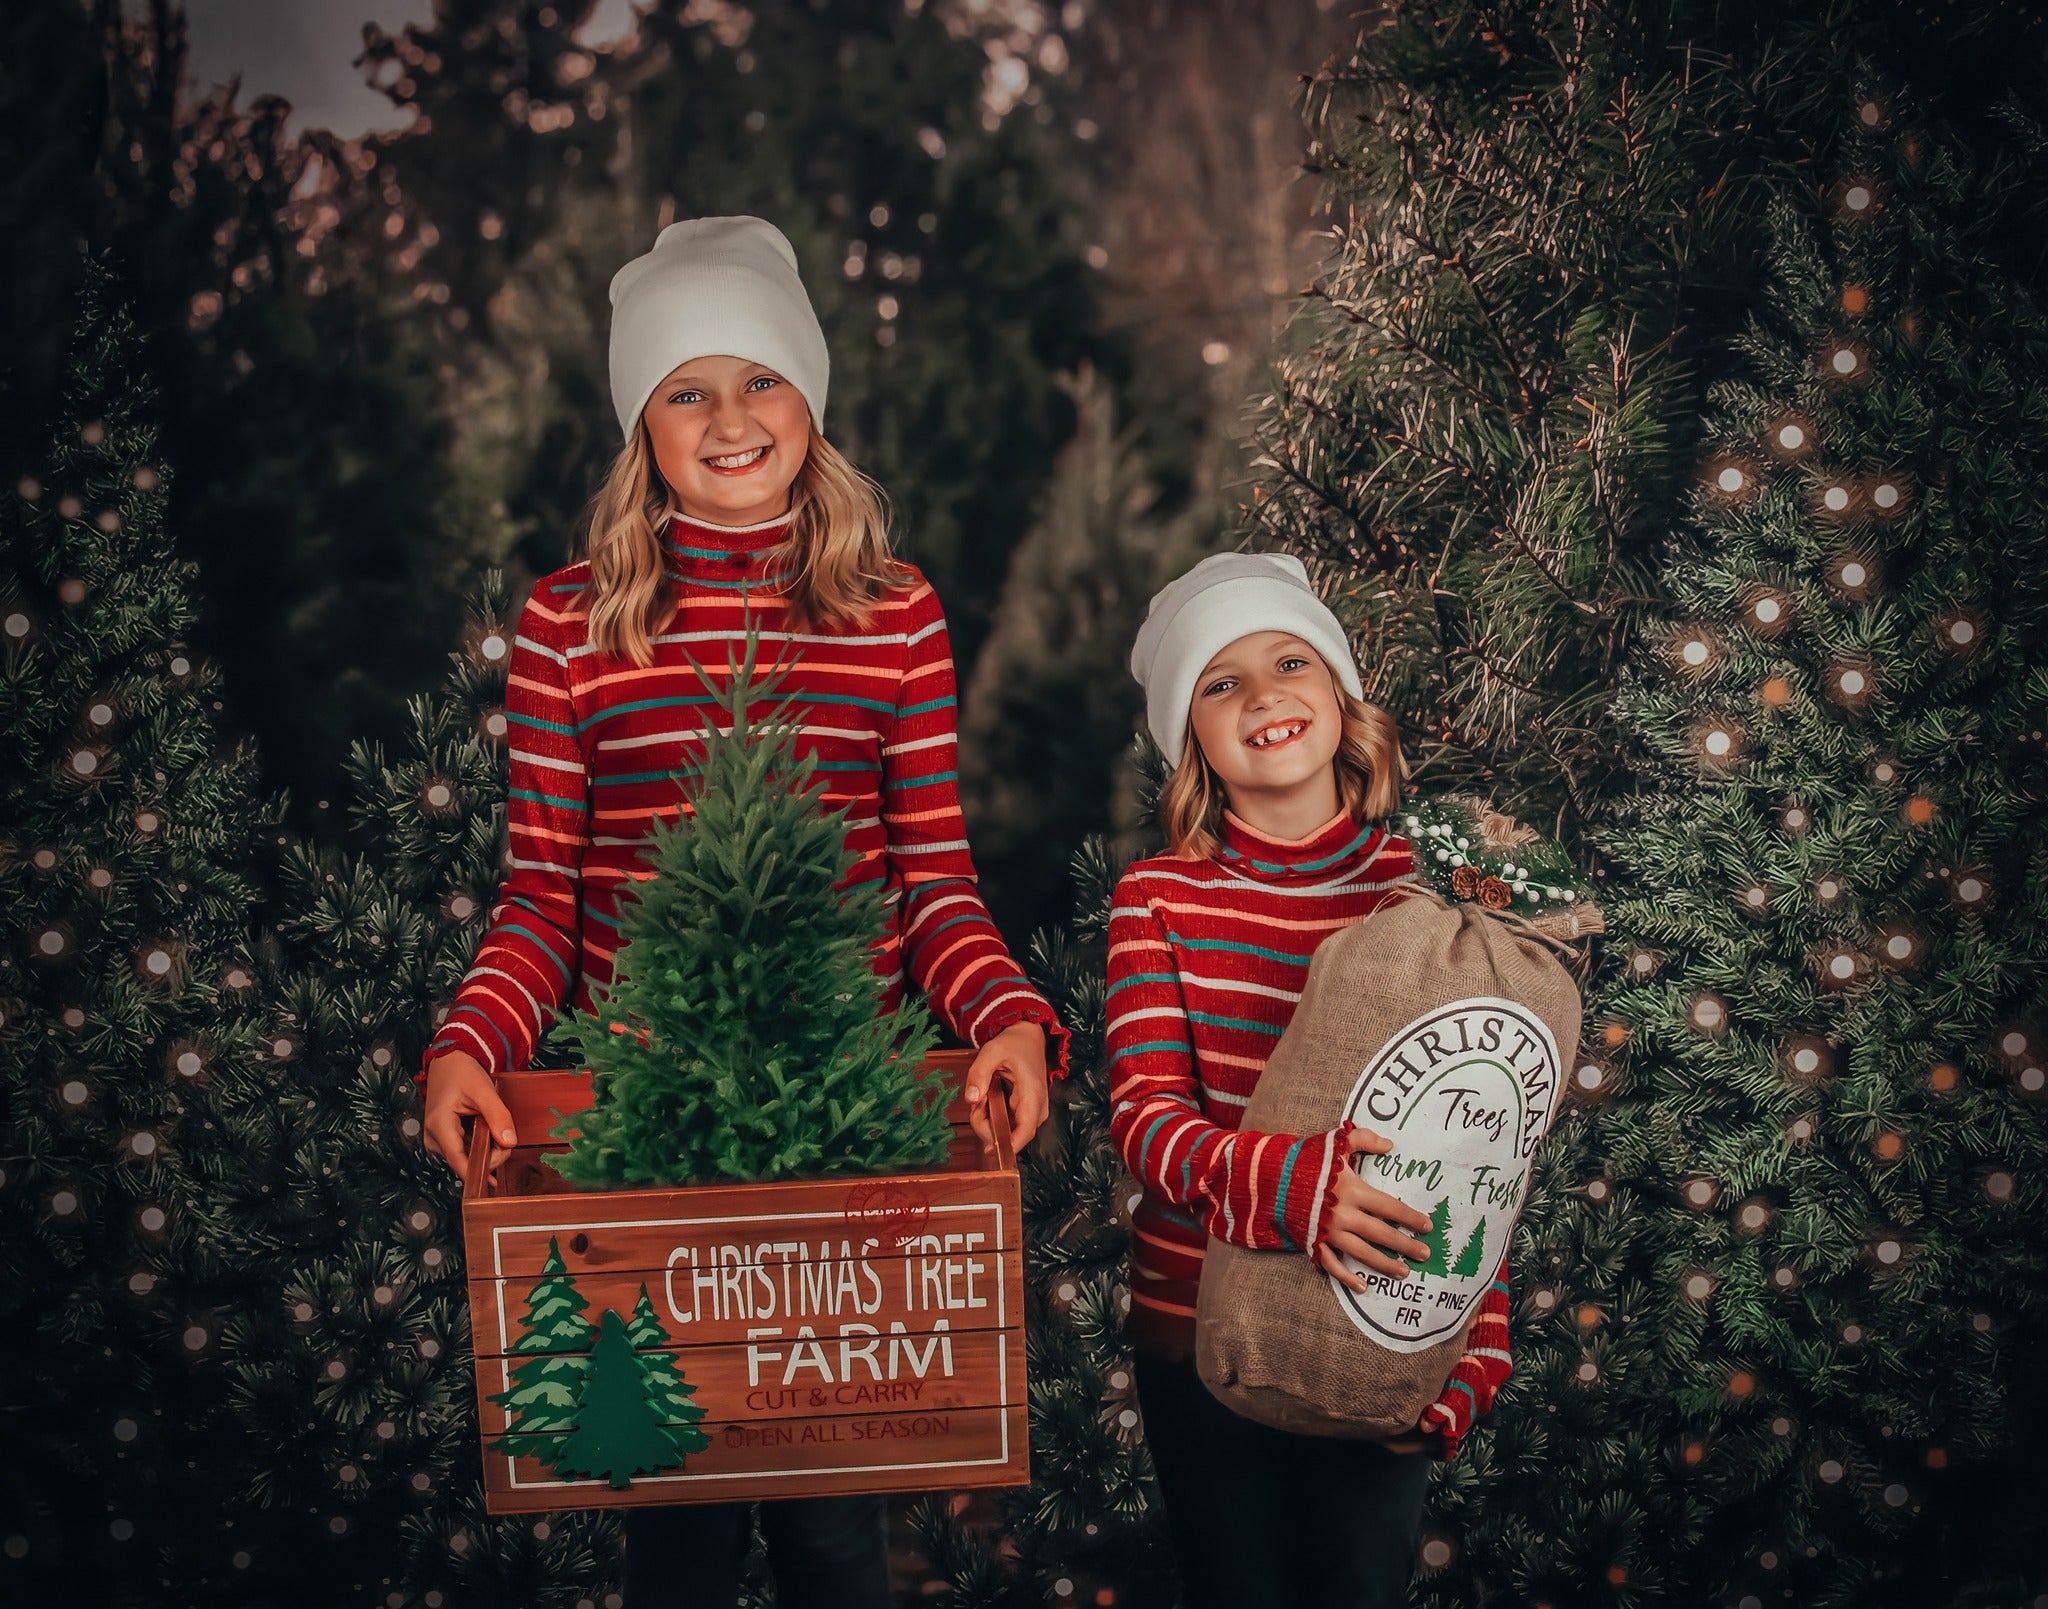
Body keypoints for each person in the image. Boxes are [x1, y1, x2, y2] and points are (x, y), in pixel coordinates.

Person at [416, 215, 1069, 1609]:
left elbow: (933, 883)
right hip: (646, 1127)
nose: (730, 419)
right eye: (686, 390)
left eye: (760, 378)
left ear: (809, 401)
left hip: (842, 1120)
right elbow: (542, 898)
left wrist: (1007, 1017)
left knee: (833, 1529)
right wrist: (471, 1043)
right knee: (677, 1522)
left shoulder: (892, 614)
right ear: (639, 427)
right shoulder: (571, 625)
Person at [1108, 552, 1513, 1609]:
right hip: (1198, 1330)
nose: (1263, 694)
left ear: (1340, 694)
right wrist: (1296, 1186)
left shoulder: (1428, 898)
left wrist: (1472, 1332)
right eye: (1220, 681)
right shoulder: (1159, 898)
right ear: (1189, 739)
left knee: (1357, 1585)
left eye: (1290, 661)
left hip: (1379, 1320)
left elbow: (1478, 1136)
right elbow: (1146, 1118)